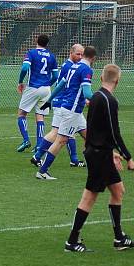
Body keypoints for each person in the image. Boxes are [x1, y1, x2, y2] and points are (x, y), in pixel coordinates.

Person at [64, 64, 134, 253]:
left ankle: (119, 238)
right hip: (99, 155)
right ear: (118, 80)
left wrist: (110, 152)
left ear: (101, 78)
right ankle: (72, 241)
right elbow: (114, 133)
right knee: (89, 197)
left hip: (99, 152)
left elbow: (95, 128)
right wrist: (127, 157)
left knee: (118, 191)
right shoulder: (109, 100)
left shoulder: (96, 96)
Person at [35, 45, 96, 180]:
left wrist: (49, 100)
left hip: (69, 108)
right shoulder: (86, 70)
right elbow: (87, 93)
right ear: (93, 58)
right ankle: (42, 171)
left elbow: (60, 85)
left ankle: (98, 164)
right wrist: (103, 98)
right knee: (61, 140)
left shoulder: (73, 66)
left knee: (90, 136)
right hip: (72, 110)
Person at [16, 34, 58, 152]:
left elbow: (24, 68)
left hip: (33, 87)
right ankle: (39, 145)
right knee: (40, 116)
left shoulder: (32, 53)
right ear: (47, 44)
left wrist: (20, 82)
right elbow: (56, 76)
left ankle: (26, 140)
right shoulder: (52, 56)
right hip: (46, 90)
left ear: (36, 41)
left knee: (22, 114)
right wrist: (48, 84)